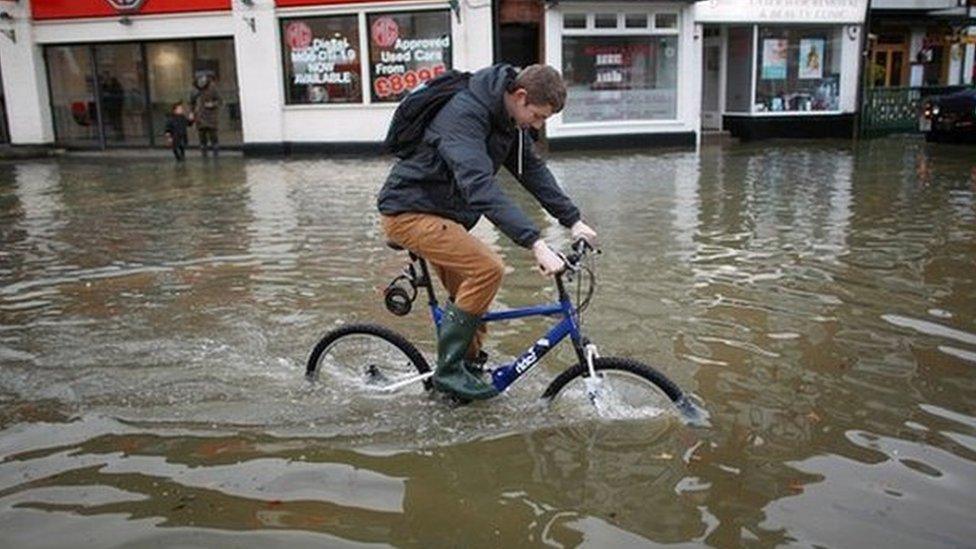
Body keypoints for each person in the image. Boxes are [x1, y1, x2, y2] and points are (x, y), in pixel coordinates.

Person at [377, 64, 597, 401]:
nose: (537, 126)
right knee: (488, 268)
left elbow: (533, 171)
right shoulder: (464, 115)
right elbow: (479, 187)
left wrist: (573, 220)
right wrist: (535, 243)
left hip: (443, 216)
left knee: (473, 296)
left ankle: (464, 379)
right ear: (520, 96)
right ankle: (450, 372)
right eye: (537, 116)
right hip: (409, 213)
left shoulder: (506, 119)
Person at [191, 74, 221, 156]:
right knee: (202, 137)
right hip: (199, 116)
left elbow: (219, 100)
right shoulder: (195, 89)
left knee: (213, 135)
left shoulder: (212, 87)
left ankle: (216, 152)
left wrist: (212, 104)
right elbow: (192, 102)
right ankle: (204, 152)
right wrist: (192, 112)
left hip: (210, 116)